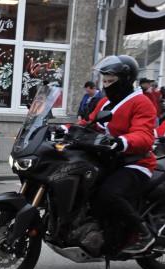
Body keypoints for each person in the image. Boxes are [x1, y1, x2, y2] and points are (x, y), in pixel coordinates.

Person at [59, 55, 157, 254]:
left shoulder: (141, 103)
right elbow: (90, 124)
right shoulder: (104, 102)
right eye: (104, 80)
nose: (106, 85)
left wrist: (122, 141)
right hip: (110, 160)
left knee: (108, 194)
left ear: (125, 80)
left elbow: (144, 135)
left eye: (111, 81)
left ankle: (143, 231)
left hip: (135, 162)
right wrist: (62, 129)